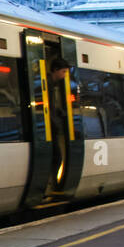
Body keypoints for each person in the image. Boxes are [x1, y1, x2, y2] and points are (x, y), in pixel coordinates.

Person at [46, 57, 71, 195]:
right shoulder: (48, 83)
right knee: (57, 156)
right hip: (51, 128)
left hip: (52, 127)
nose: (64, 75)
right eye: (63, 72)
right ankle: (52, 184)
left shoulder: (52, 84)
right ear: (55, 70)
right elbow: (49, 107)